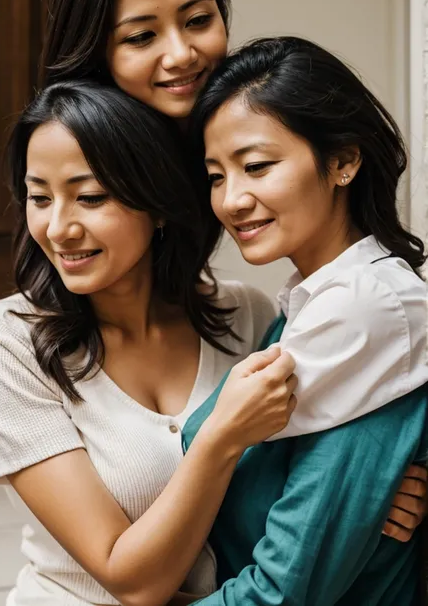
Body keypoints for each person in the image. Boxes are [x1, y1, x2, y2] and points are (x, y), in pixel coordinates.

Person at [40, 0, 426, 539]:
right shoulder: (18, 335)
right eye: (141, 36)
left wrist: (374, 472)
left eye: (198, 19)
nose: (182, 54)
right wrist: (351, 485)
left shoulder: (264, 309)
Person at [0, 81, 298, 606]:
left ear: (158, 204)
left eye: (90, 197)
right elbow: (133, 582)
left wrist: (379, 493)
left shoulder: (247, 317)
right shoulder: (3, 343)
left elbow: (305, 474)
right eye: (39, 197)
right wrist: (220, 438)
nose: (59, 228)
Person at [180, 36, 428, 605]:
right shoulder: (308, 306)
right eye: (216, 176)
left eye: (257, 166)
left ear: (342, 161)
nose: (232, 199)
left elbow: (280, 593)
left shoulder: (366, 314)